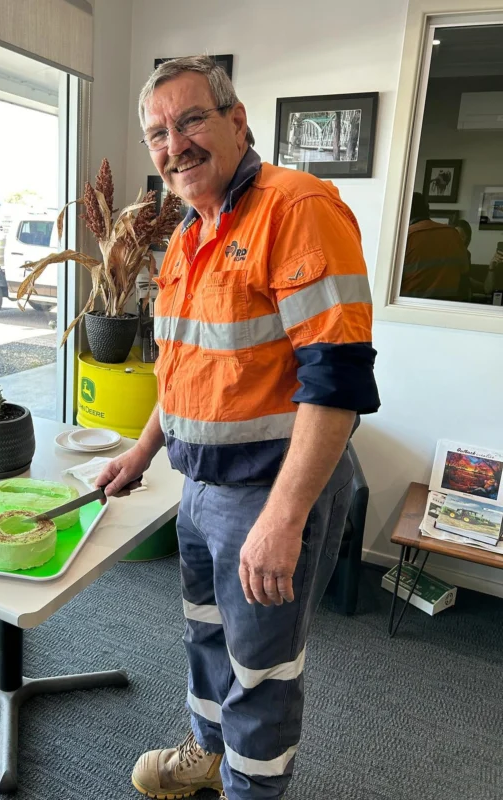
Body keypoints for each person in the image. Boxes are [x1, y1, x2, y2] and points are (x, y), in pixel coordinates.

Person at [95, 56, 380, 800]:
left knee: (262, 668)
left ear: (236, 120)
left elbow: (337, 382)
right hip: (198, 485)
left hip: (271, 490)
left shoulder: (296, 207)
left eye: (191, 120)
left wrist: (284, 520)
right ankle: (208, 755)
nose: (174, 144)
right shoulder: (191, 233)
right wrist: (141, 451)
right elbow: (186, 369)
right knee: (207, 635)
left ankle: (253, 789)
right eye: (158, 132)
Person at [401, 193, 470, 300]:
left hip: (411, 304)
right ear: (427, 209)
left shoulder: (405, 236)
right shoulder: (452, 234)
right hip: (447, 305)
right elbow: (464, 272)